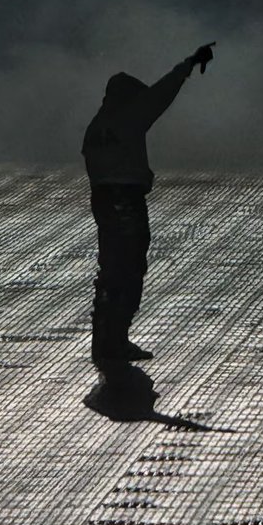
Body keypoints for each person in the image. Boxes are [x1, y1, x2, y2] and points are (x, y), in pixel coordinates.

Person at [82, 43, 215, 363]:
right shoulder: (127, 119)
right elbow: (161, 94)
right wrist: (188, 64)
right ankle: (115, 341)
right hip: (125, 200)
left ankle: (104, 340)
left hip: (103, 199)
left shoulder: (96, 127)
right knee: (128, 269)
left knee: (111, 269)